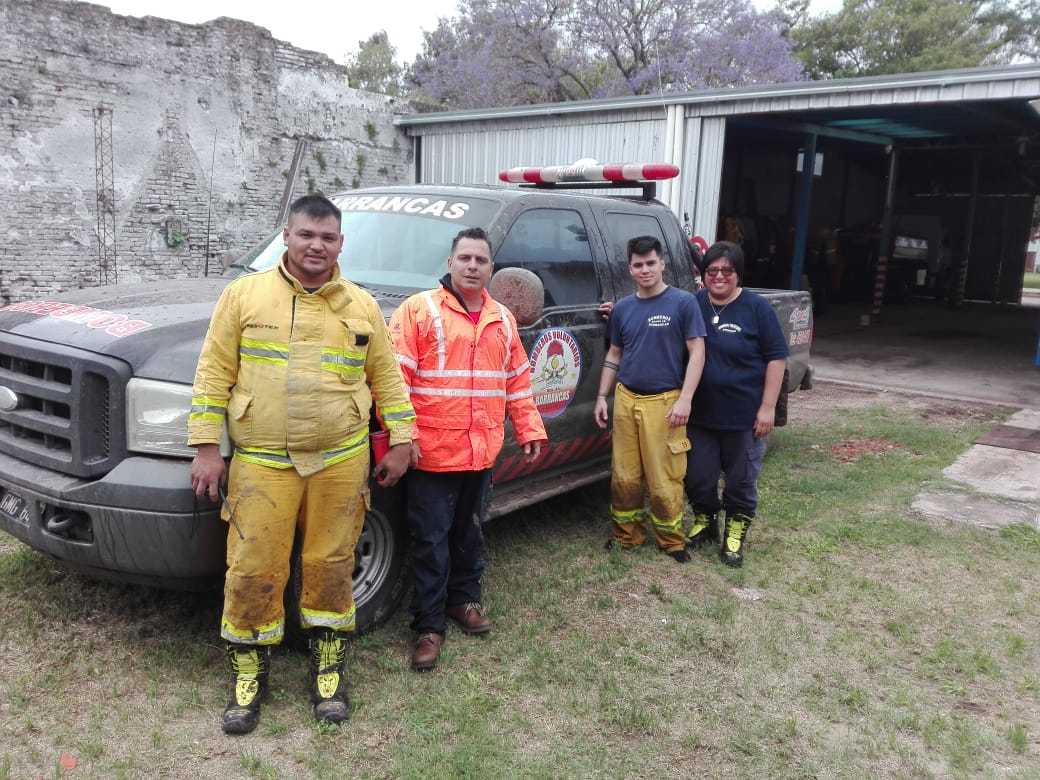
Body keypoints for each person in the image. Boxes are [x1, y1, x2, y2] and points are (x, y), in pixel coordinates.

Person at [188, 194, 416, 734]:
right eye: (307, 235)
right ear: (287, 235)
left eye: (328, 237)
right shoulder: (243, 296)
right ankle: (249, 676)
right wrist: (204, 447)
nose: (317, 246)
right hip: (262, 462)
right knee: (252, 569)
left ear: (340, 243)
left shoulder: (361, 306)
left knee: (332, 565)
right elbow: (212, 373)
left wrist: (403, 439)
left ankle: (329, 671)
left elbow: (386, 378)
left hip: (340, 460)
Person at [389, 227, 547, 672]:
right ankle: (429, 626)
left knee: (470, 534)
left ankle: (465, 601)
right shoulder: (418, 311)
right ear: (450, 262)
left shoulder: (503, 318)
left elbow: (516, 379)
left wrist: (529, 428)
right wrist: (405, 440)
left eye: (481, 260)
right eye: (465, 258)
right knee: (430, 542)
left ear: (491, 268)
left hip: (482, 452)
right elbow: (395, 381)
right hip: (432, 455)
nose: (473, 266)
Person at [594, 236, 706, 563]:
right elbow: (615, 353)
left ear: (662, 264)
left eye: (651, 263)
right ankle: (627, 536)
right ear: (630, 269)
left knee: (664, 476)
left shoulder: (683, 303)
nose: (645, 270)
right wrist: (602, 395)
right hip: (626, 399)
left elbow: (697, 351)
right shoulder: (624, 309)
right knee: (624, 474)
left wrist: (685, 398)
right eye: (638, 265)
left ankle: (671, 540)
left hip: (665, 402)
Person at [684, 241, 788, 567]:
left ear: (738, 274)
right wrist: (615, 311)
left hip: (745, 416)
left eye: (727, 271)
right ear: (703, 275)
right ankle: (705, 520)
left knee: (741, 479)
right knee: (698, 477)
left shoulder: (757, 309)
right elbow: (655, 311)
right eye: (712, 270)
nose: (718, 276)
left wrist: (768, 407)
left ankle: (735, 531)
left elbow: (776, 359)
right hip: (700, 414)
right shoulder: (693, 304)